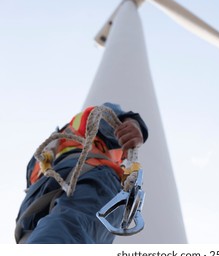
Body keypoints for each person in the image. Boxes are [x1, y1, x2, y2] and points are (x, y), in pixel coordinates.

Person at [15, 102, 148, 244]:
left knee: (62, 230)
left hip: (81, 176)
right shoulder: (62, 138)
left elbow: (114, 120)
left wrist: (132, 124)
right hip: (79, 177)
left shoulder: (83, 123)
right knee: (68, 230)